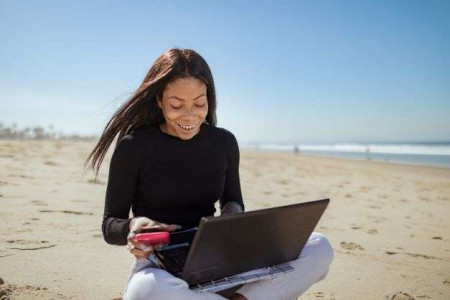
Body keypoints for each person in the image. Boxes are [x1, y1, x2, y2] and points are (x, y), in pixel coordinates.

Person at [85, 48, 334, 300]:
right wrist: (133, 226)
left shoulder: (224, 142)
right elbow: (110, 226)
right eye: (176, 104)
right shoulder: (134, 146)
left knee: (319, 246)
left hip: (221, 255)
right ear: (159, 100)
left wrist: (233, 220)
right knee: (145, 291)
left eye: (199, 103)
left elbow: (233, 201)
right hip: (161, 267)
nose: (190, 115)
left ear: (209, 98)